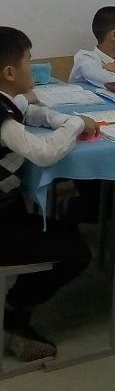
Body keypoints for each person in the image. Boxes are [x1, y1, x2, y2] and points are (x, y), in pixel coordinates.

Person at [0, 27, 94, 361]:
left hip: (8, 211)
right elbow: (44, 153)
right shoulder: (2, 119)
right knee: (76, 252)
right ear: (10, 73)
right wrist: (75, 126)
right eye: (28, 61)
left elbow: (28, 110)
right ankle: (14, 313)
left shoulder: (7, 102)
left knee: (62, 231)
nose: (33, 67)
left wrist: (60, 118)